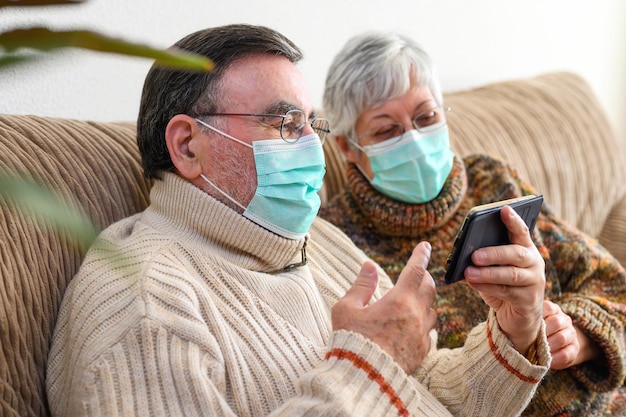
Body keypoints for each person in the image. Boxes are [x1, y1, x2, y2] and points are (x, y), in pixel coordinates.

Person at [46, 24, 550, 417]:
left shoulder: (311, 239)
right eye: (285, 124)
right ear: (187, 146)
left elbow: (417, 390)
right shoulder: (145, 302)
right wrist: (368, 365)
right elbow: (380, 374)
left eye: (312, 124)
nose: (313, 146)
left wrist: (513, 331)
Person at [319, 30, 626, 416]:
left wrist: (580, 337)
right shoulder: (334, 243)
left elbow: (612, 283)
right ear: (348, 147)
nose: (413, 140)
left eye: (426, 117)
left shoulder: (491, 180)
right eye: (386, 130)